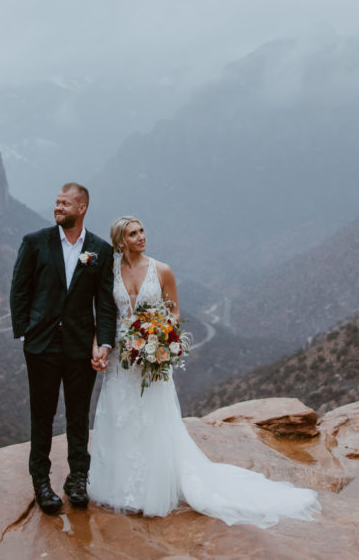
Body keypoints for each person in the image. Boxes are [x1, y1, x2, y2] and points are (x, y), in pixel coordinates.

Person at [88, 216, 321, 526]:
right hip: (120, 359)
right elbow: (103, 313)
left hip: (150, 355)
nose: (142, 236)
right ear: (121, 241)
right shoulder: (110, 273)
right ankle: (120, 487)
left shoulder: (162, 271)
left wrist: (160, 337)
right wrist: (98, 347)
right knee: (121, 417)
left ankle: (151, 489)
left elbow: (174, 310)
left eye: (142, 230)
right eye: (133, 233)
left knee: (153, 420)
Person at [10, 183, 117, 514]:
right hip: (41, 347)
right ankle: (41, 482)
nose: (58, 207)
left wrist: (105, 343)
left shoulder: (99, 249)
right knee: (41, 415)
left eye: (65, 203)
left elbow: (105, 303)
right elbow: (19, 290)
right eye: (56, 202)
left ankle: (78, 479)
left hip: (80, 347)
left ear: (81, 208)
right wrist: (25, 334)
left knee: (78, 415)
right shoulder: (35, 243)